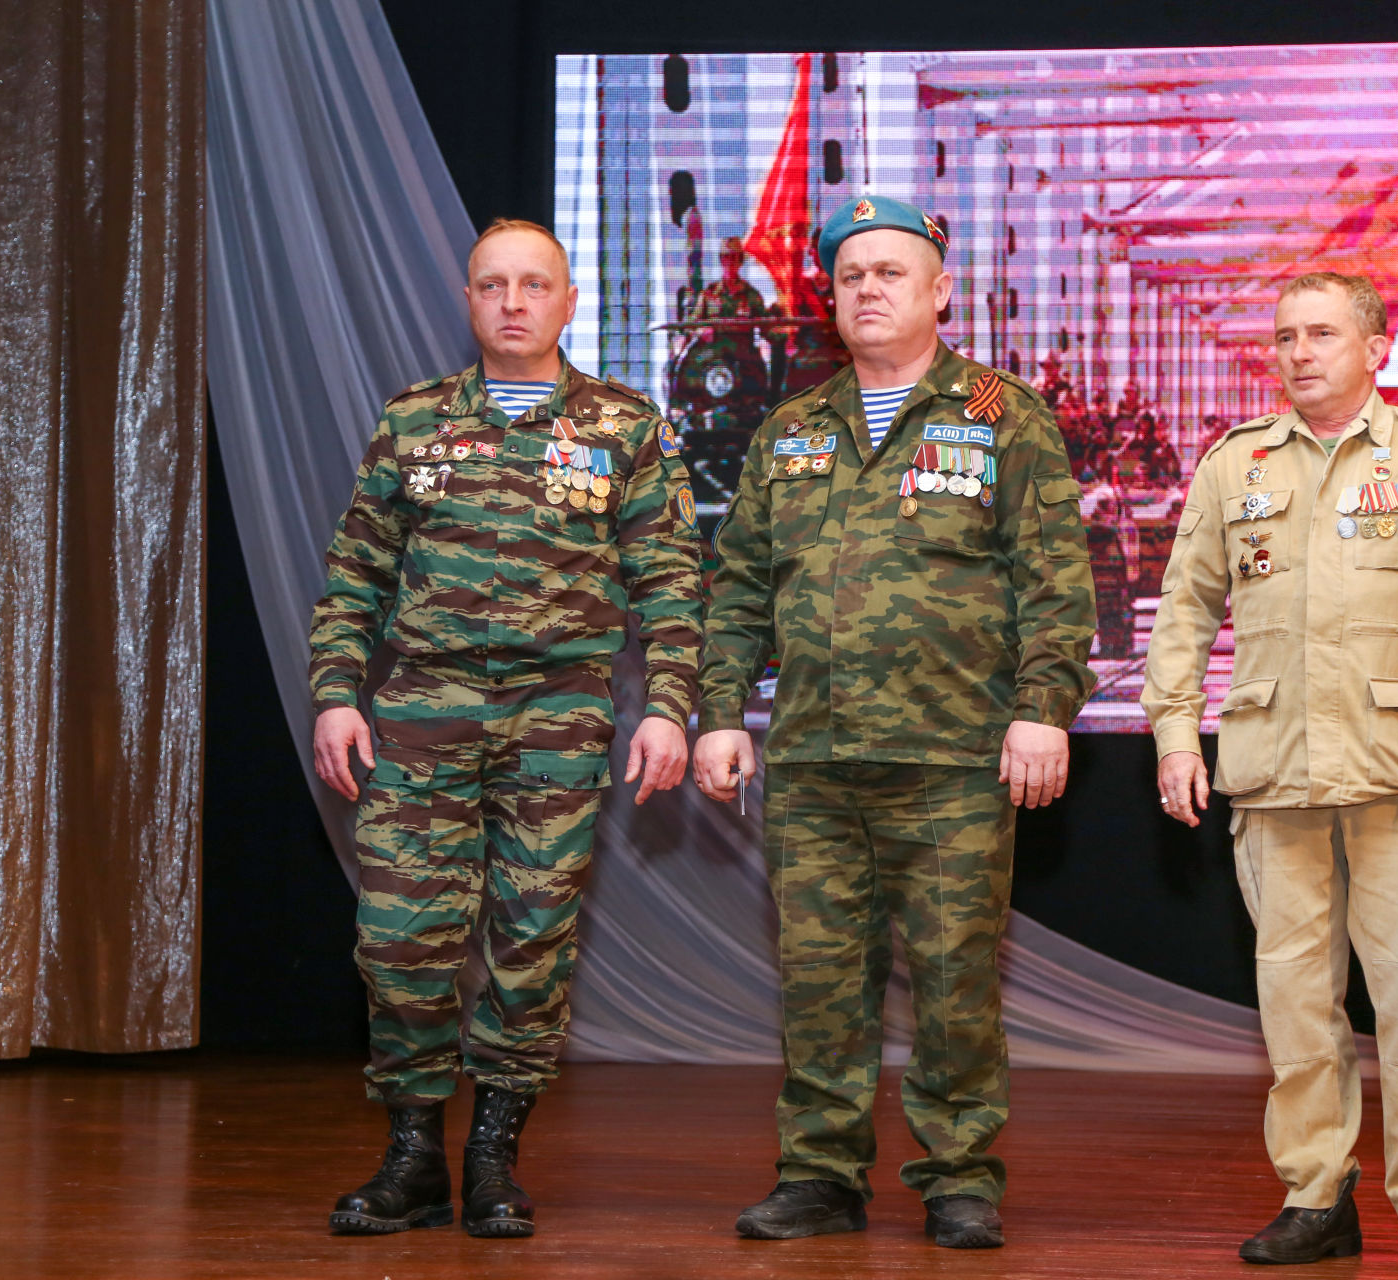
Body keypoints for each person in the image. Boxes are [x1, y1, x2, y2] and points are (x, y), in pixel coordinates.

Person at [693, 195, 1096, 1250]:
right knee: (820, 981)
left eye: (892, 271)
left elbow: (1056, 581)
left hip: (955, 755)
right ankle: (820, 1171)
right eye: (854, 274)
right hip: (817, 756)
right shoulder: (791, 429)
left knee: (958, 977)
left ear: (940, 289)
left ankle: (960, 1171)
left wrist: (1042, 710)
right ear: (832, 295)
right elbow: (737, 584)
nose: (870, 288)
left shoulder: (1007, 417)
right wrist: (723, 711)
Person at [1141, 271, 1398, 1275]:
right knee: (1293, 1003)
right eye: (1285, 336)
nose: (1299, 352)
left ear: (1374, 345)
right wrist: (1172, 734)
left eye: (1321, 332)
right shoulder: (1235, 467)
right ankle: (1315, 1192)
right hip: (1275, 776)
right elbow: (1184, 607)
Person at [309, 218, 703, 1239]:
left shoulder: (623, 426)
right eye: (494, 285)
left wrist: (667, 704)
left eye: (536, 284)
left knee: (531, 942)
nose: (514, 301)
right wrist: (337, 691)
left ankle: (492, 1156)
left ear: (570, 303)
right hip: (421, 711)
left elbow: (669, 579)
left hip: (558, 718)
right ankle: (411, 1155)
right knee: (400, 942)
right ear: (471, 301)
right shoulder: (414, 422)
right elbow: (357, 568)